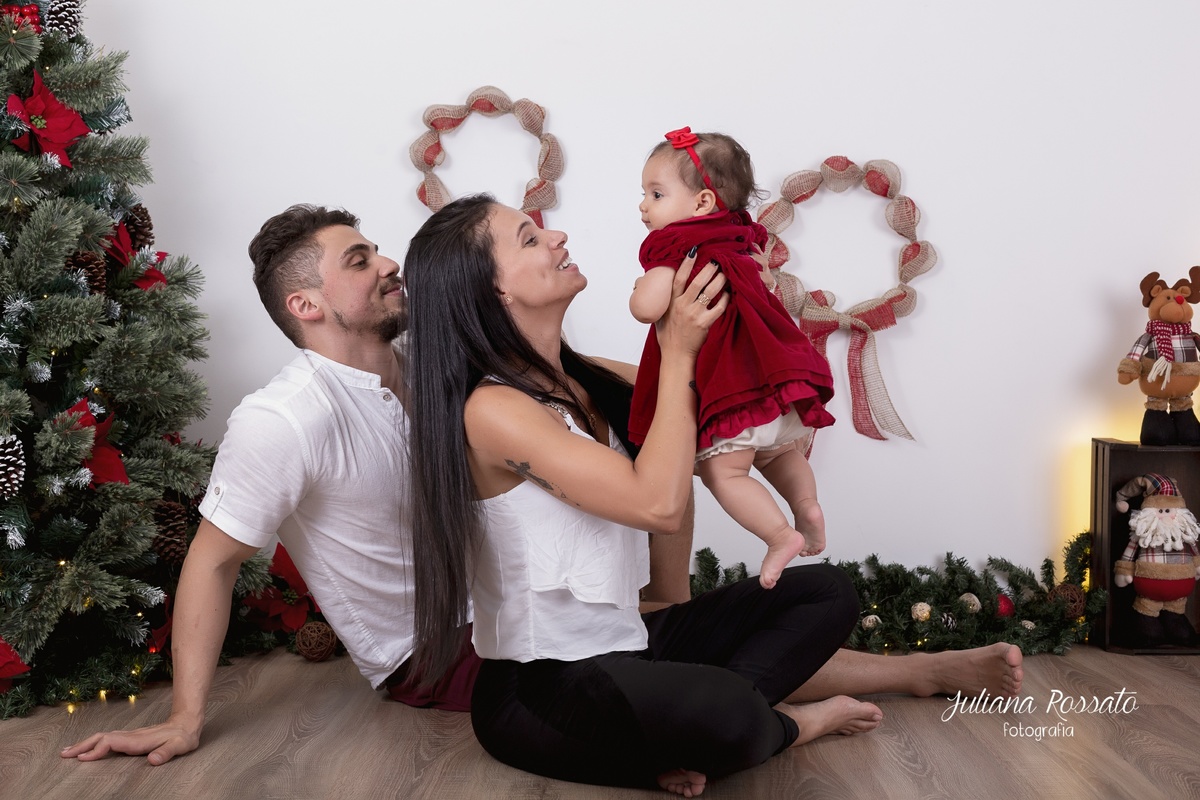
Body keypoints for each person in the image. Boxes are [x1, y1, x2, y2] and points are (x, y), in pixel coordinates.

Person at [62, 202, 1025, 779]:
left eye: (380, 248)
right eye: (359, 260)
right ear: (305, 306)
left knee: (742, 608)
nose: (388, 260)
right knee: (663, 662)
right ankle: (893, 679)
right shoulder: (286, 417)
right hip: (443, 648)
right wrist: (188, 718)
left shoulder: (433, 368)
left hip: (544, 608)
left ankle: (701, 689)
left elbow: (667, 415)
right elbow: (215, 557)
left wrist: (753, 389)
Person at [405, 193, 885, 795]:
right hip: (542, 687)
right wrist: (678, 349)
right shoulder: (493, 408)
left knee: (825, 593)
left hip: (632, 646)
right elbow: (655, 505)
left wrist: (744, 296)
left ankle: (708, 728)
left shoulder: (586, 378)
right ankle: (779, 726)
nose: (556, 239)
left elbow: (730, 418)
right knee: (725, 707)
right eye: (529, 239)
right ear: (492, 291)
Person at [629, 127, 835, 590]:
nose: (644, 205)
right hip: (774, 379)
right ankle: (806, 506)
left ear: (701, 203)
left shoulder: (677, 245)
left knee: (724, 472)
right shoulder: (742, 235)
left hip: (731, 385)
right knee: (780, 451)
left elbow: (648, 307)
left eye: (656, 193)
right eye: (643, 193)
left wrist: (641, 288)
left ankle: (781, 535)